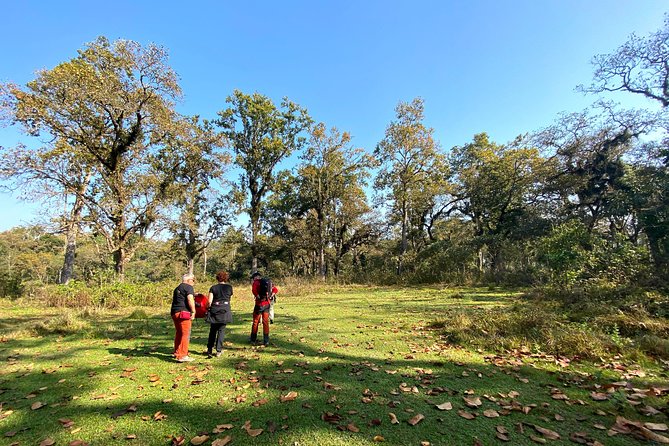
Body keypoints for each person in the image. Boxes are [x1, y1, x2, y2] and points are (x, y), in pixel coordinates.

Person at [206, 270, 233, 358]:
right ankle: (218, 350)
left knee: (212, 330)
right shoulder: (229, 287)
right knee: (221, 331)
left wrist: (207, 309)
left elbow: (209, 301)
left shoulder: (213, 288)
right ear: (226, 278)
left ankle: (209, 349)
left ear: (217, 278)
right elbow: (229, 298)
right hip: (225, 310)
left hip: (215, 310)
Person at [171, 273, 196, 362]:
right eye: (193, 280)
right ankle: (182, 355)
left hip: (174, 312)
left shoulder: (177, 288)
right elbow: (190, 299)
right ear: (189, 280)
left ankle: (177, 352)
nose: (194, 282)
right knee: (185, 334)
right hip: (184, 313)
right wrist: (193, 311)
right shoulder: (188, 287)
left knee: (179, 333)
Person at [250, 271, 278, 346]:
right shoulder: (267, 282)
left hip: (259, 305)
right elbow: (275, 289)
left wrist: (257, 296)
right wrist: (271, 295)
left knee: (256, 321)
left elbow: (254, 291)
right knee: (265, 322)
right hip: (267, 304)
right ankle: (266, 340)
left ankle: (253, 339)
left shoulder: (255, 283)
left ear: (255, 277)